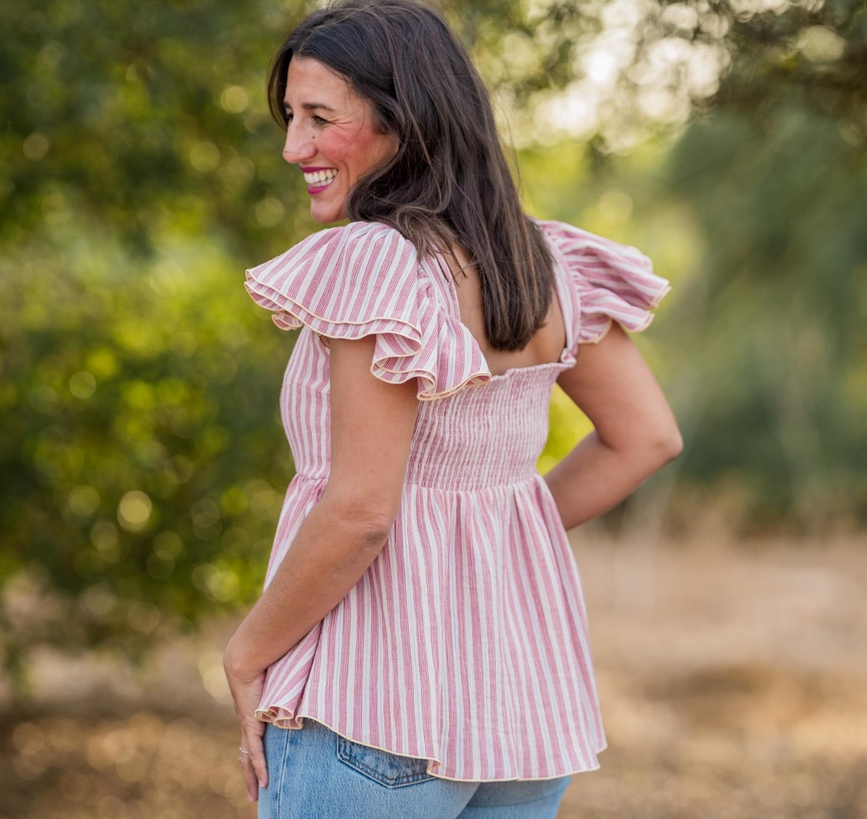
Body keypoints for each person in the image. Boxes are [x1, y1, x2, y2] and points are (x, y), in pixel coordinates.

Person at [224, 0, 682, 815]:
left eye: (321, 118)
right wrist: (495, 524)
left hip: (373, 701)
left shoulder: (375, 262)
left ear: (405, 122)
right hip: (517, 707)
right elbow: (644, 437)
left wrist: (246, 650)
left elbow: (362, 508)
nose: (294, 146)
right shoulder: (543, 262)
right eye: (290, 117)